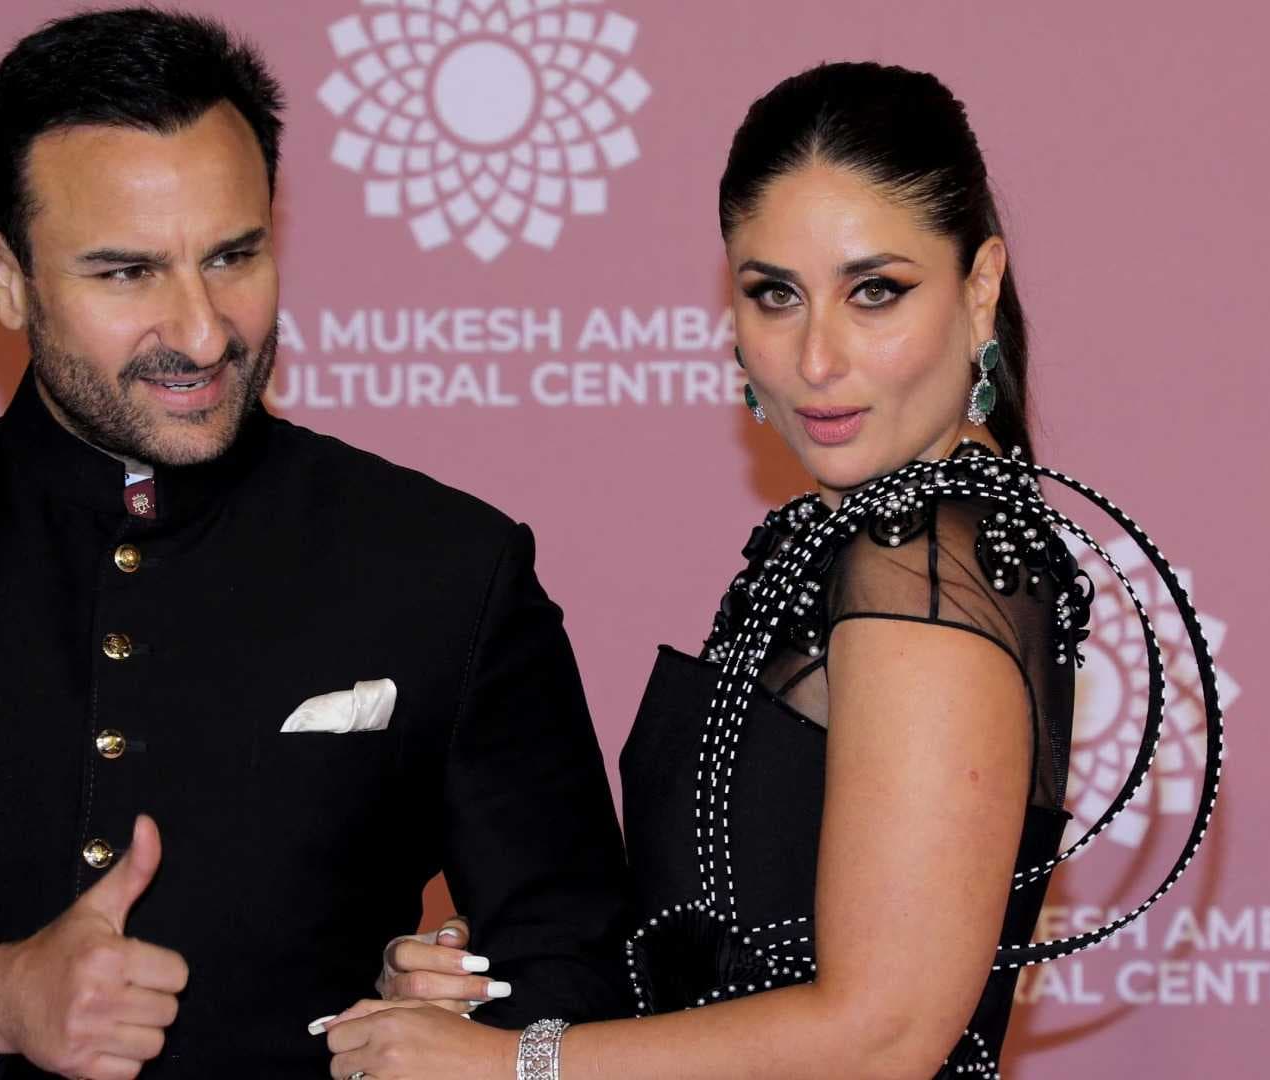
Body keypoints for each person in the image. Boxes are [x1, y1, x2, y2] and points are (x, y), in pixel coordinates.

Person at [0, 10, 632, 1080]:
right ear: (5, 272)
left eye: (234, 256)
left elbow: (580, 958)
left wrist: (467, 1009)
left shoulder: (447, 565)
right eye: (126, 273)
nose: (202, 332)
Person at [323, 61, 1221, 1079]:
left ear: (980, 289)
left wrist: (514, 1066)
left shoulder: (926, 560)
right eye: (775, 295)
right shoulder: (858, 539)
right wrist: (497, 993)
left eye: (875, 292)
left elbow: (882, 1033)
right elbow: (720, 959)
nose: (817, 358)